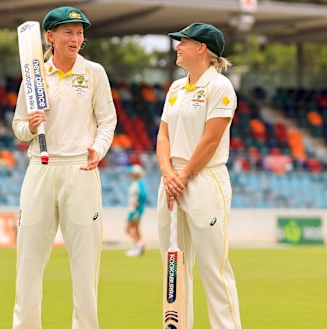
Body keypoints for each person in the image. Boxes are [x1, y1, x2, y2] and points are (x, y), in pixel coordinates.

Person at [11, 6, 117, 329]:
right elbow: (17, 126)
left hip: (81, 170)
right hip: (40, 169)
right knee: (28, 262)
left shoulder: (94, 73)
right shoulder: (34, 75)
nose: (75, 38)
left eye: (80, 32)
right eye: (68, 32)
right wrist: (30, 126)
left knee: (85, 266)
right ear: (50, 36)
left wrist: (97, 150)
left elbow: (108, 121)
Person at [156, 23, 242, 329]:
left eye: (183, 42)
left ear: (202, 48)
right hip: (171, 181)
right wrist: (168, 173)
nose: (177, 46)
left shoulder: (220, 87)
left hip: (204, 179)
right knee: (174, 266)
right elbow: (163, 135)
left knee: (213, 268)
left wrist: (184, 175)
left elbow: (210, 140)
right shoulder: (176, 88)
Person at [125, 164, 147, 257]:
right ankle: (139, 248)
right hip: (135, 208)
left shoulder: (138, 183)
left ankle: (139, 245)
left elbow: (143, 195)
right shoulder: (136, 183)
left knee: (128, 228)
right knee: (136, 228)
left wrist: (138, 203)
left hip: (135, 209)